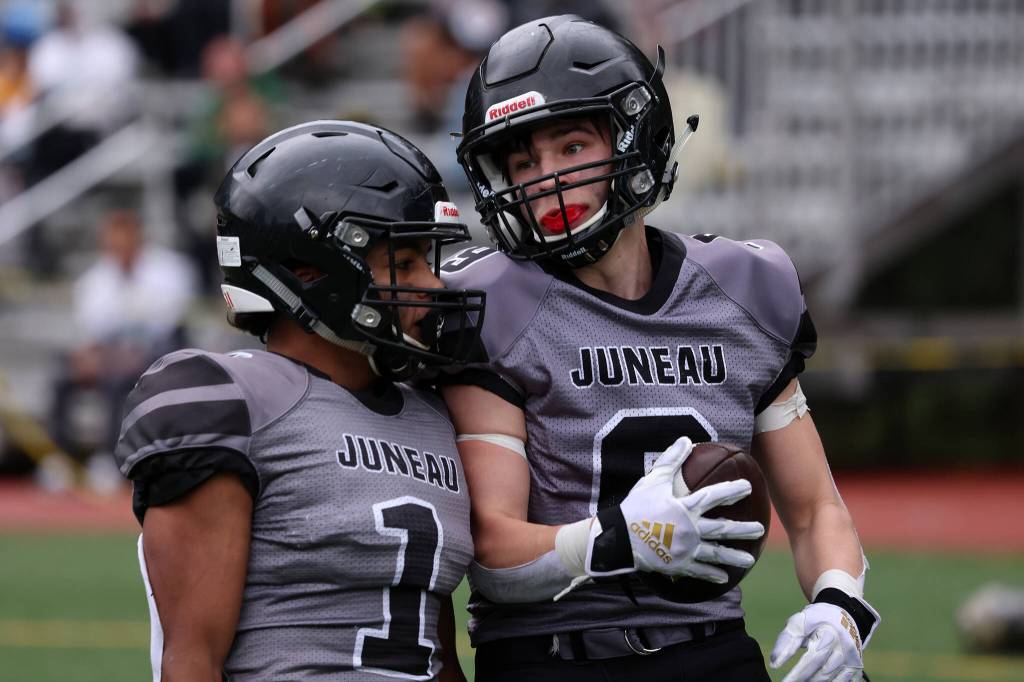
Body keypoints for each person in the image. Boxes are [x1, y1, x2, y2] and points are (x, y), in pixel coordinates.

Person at [439, 15, 880, 682]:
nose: (544, 179)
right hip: (557, 658)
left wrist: (841, 604)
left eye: (571, 147)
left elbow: (817, 508)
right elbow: (493, 552)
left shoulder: (742, 290)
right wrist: (615, 540)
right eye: (522, 161)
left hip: (711, 649)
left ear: (634, 136)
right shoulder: (494, 304)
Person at [113, 120, 485, 680]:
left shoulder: (432, 413)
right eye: (404, 263)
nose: (432, 286)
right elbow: (191, 659)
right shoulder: (230, 400)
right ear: (313, 275)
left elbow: (435, 652)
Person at [48, 208, 195, 479]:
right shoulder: (94, 279)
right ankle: (59, 460)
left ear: (137, 237)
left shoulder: (170, 270)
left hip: (157, 354)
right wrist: (89, 356)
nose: (118, 247)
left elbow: (166, 326)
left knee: (118, 381)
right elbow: (91, 332)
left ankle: (110, 459)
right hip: (111, 357)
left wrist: (124, 353)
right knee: (62, 377)